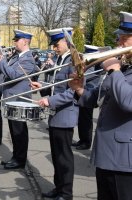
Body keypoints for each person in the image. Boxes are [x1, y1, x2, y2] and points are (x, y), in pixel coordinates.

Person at [69, 11, 132, 200]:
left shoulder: (118, 71)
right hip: (106, 155)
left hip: (125, 160)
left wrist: (114, 71)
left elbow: (128, 102)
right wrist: (79, 89)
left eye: (124, 39)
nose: (118, 43)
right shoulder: (124, 68)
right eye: (119, 38)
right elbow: (96, 99)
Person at [31, 28, 78, 200]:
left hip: (65, 116)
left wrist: (49, 101)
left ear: (66, 42)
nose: (54, 48)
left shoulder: (73, 61)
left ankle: (66, 194)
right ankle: (59, 188)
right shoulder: (61, 59)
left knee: (64, 158)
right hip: (55, 115)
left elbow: (72, 92)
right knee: (56, 156)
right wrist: (41, 85)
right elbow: (55, 86)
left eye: (57, 44)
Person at [0, 30, 37, 169]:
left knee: (19, 131)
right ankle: (15, 156)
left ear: (25, 41)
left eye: (17, 40)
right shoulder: (16, 56)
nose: (14, 42)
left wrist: (1, 61)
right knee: (13, 130)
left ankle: (20, 160)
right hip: (12, 99)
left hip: (19, 99)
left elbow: (13, 75)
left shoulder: (28, 59)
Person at [72, 44, 103, 150]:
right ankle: (82, 139)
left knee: (86, 119)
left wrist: (80, 73)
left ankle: (86, 142)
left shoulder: (97, 64)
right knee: (82, 119)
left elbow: (90, 76)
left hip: (90, 93)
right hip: (84, 92)